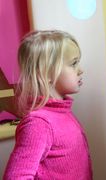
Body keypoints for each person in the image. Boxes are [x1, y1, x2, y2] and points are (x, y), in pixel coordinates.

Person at [3, 30, 92, 180]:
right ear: (45, 73)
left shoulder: (60, 112)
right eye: (73, 63)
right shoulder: (39, 124)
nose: (80, 70)